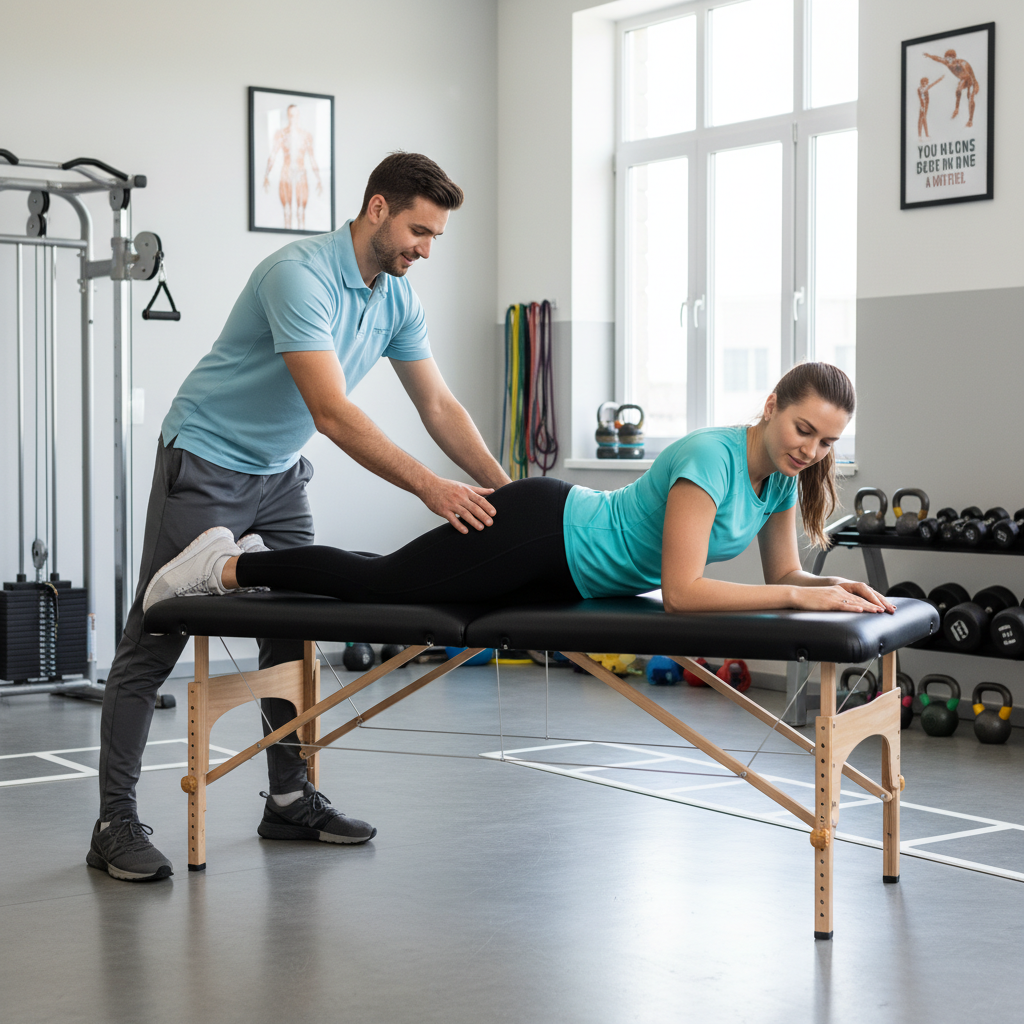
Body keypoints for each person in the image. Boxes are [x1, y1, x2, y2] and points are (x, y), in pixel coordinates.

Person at [89, 152, 511, 882]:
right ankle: (113, 822)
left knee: (294, 631)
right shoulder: (300, 274)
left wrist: (508, 494)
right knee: (157, 632)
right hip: (210, 460)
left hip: (280, 475)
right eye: (419, 230)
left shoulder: (396, 298)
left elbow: (438, 406)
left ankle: (287, 798)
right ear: (377, 208)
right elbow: (333, 413)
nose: (426, 249)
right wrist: (431, 490)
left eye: (436, 237)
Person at [146, 361, 895, 675]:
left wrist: (833, 592)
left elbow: (785, 574)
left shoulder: (780, 483)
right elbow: (684, 592)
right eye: (803, 430)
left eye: (828, 441)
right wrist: (800, 596)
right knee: (384, 589)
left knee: (393, 586)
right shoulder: (710, 459)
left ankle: (237, 562)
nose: (812, 449)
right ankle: (228, 563)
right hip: (546, 530)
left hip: (559, 564)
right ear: (770, 406)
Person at [263, 103, 323, 231]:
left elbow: (312, 158)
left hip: (301, 172)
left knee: (301, 210)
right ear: (288, 116)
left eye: (295, 115)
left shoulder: (306, 135)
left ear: (298, 116)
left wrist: (319, 179)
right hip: (286, 172)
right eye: (291, 115)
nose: (293, 118)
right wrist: (266, 175)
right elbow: (273, 155)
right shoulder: (280, 134)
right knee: (287, 210)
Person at [923, 49, 980, 127]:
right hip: (963, 80)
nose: (948, 61)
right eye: (947, 59)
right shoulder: (947, 62)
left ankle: (970, 120)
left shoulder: (962, 63)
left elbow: (971, 76)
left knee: (970, 98)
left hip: (971, 80)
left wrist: (973, 88)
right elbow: (937, 58)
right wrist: (929, 55)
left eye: (950, 59)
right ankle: (957, 109)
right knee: (958, 90)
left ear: (954, 58)